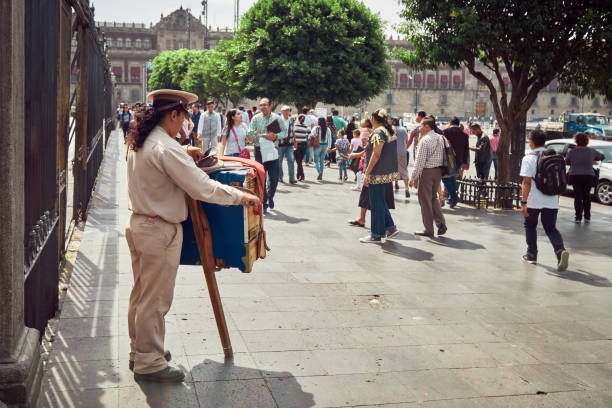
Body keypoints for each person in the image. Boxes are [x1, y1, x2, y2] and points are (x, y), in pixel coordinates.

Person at [125, 89, 260, 383]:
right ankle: (149, 361)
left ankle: (141, 350)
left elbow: (162, 159)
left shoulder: (141, 140)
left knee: (141, 293)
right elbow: (202, 187)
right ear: (173, 114)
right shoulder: (167, 147)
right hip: (158, 230)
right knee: (155, 298)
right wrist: (240, 196)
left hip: (139, 224)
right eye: (184, 116)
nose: (185, 124)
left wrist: (183, 152)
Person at [520, 130, 569, 270]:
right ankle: (560, 252)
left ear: (531, 143)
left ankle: (531, 255)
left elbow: (526, 182)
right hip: (551, 199)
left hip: (533, 200)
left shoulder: (528, 158)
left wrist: (523, 203)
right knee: (551, 228)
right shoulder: (555, 156)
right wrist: (557, 195)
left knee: (530, 226)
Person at [360, 109, 398, 243]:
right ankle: (390, 227)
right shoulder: (389, 131)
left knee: (376, 203)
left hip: (377, 173)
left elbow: (376, 155)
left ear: (373, 119)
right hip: (386, 173)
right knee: (380, 201)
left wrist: (367, 173)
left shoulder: (378, 133)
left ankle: (376, 234)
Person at [410, 116, 447, 238]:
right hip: (438, 172)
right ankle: (441, 223)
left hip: (427, 172)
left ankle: (428, 229)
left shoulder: (425, 141)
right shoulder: (441, 138)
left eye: (420, 125)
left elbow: (419, 162)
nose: (419, 127)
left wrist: (412, 177)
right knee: (433, 198)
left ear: (427, 126)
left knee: (425, 201)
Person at [248, 98, 286, 213]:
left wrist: (275, 136)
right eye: (261, 105)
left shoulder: (277, 118)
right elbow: (250, 133)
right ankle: (264, 201)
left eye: (265, 105)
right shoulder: (255, 118)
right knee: (261, 178)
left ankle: (270, 196)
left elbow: (285, 132)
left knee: (274, 178)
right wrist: (260, 136)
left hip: (273, 150)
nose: (262, 107)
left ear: (270, 106)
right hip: (260, 151)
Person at [566, 132, 605, 223]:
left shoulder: (572, 152)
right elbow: (601, 157)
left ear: (576, 141)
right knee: (587, 196)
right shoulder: (591, 151)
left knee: (578, 196)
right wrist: (592, 160)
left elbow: (567, 161)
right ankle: (587, 217)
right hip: (588, 176)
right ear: (586, 141)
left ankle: (578, 217)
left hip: (575, 175)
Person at [442, 116, 469, 207]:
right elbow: (466, 150)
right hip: (459, 160)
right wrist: (465, 162)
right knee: (453, 177)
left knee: (445, 178)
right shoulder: (464, 135)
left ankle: (454, 196)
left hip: (448, 159)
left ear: (450, 123)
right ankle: (452, 198)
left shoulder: (446, 132)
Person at [277, 106, 297, 184]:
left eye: (288, 110)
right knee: (279, 162)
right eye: (285, 110)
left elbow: (293, 131)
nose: (286, 112)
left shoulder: (291, 120)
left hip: (290, 144)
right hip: (280, 144)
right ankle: (280, 177)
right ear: (281, 111)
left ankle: (292, 178)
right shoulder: (278, 120)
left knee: (291, 161)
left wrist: (295, 141)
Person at [392, 117, 410, 198]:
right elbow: (406, 140)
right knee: (404, 169)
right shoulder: (403, 129)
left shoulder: (390, 129)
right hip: (402, 152)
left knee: (393, 169)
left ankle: (396, 183)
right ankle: (406, 189)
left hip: (392, 152)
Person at [293, 114, 310, 181]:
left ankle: (302, 175)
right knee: (299, 161)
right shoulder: (306, 127)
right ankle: (298, 175)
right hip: (304, 145)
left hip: (297, 145)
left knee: (299, 161)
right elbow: (310, 134)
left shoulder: (295, 126)